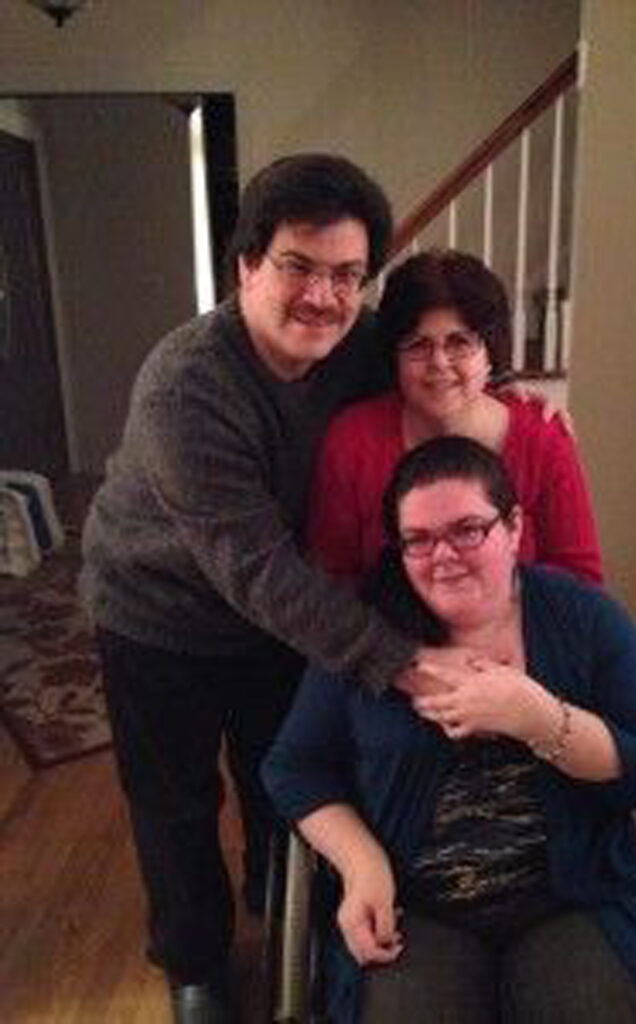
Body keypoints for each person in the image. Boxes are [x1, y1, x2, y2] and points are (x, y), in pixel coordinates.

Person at [80, 154, 466, 1024]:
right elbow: (253, 567)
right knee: (175, 803)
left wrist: (516, 411)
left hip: (280, 618)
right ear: (247, 264)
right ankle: (194, 964)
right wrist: (401, 662)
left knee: (280, 777)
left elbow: (445, 378)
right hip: (156, 614)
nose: (324, 297)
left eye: (347, 275)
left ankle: (281, 906)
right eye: (299, 266)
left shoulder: (365, 346)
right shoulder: (186, 383)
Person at [263, 435, 636, 1023]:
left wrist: (541, 719)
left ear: (513, 527)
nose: (442, 555)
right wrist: (361, 864)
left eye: (467, 530)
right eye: (418, 539)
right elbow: (294, 767)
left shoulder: (587, 619)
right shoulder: (366, 633)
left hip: (574, 897)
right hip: (414, 903)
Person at [307, 249, 602, 586]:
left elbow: (581, 580)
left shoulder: (542, 438)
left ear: (490, 353)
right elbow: (330, 579)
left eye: (459, 342)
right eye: (418, 345)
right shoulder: (353, 440)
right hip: (381, 620)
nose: (439, 363)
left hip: (520, 619)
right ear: (393, 357)